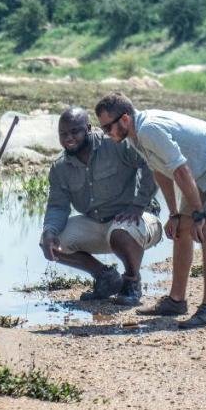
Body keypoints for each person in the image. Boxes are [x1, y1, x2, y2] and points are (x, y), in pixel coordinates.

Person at [94, 92, 206, 329]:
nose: (107, 133)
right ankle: (176, 301)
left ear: (125, 119)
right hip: (202, 171)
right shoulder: (135, 136)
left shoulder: (149, 130)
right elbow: (161, 171)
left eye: (108, 128)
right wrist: (175, 214)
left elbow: (180, 170)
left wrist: (198, 214)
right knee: (180, 230)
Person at [39, 107, 162, 306]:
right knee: (52, 243)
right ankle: (106, 277)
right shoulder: (60, 167)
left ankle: (132, 282)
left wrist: (139, 204)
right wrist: (49, 231)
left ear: (88, 128)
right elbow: (57, 206)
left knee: (120, 233)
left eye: (74, 132)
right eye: (63, 134)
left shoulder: (116, 143)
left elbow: (151, 163)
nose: (69, 138)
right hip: (97, 224)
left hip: (138, 220)